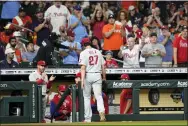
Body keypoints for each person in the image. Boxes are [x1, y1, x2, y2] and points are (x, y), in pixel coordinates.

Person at [79, 37, 106, 122]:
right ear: (90, 43)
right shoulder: (98, 51)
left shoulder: (83, 53)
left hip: (88, 75)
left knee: (87, 97)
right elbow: (103, 66)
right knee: (98, 96)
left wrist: (82, 80)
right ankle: (101, 112)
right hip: (97, 75)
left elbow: (83, 67)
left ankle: (87, 118)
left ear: (83, 44)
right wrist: (104, 77)